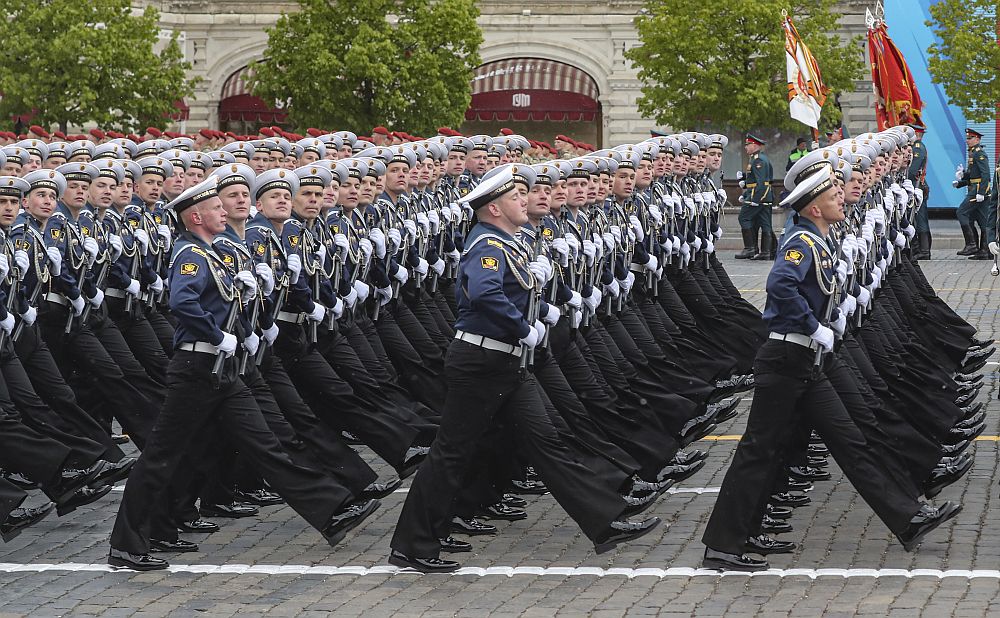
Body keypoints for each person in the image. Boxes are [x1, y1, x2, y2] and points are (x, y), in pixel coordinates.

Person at [389, 164, 660, 573]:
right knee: (450, 453)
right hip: (481, 362)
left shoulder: (509, 244)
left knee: (547, 442)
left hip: (505, 360)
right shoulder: (487, 246)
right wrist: (523, 328)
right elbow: (484, 294)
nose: (525, 200)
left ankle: (605, 522)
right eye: (515, 197)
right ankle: (413, 545)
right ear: (494, 209)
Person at [109, 176, 379, 571]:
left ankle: (331, 509)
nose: (225, 211)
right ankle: (127, 544)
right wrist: (217, 335)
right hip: (198, 367)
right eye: (217, 207)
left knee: (263, 442)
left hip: (223, 369)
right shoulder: (190, 255)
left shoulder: (214, 253)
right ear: (196, 216)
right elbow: (182, 301)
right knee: (163, 455)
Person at [701, 164, 962, 571]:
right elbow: (780, 286)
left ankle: (908, 519)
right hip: (786, 358)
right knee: (759, 451)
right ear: (814, 208)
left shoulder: (819, 240)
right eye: (832, 195)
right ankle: (723, 545)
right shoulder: (800, 242)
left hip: (807, 359)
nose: (840, 197)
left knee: (851, 440)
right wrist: (812, 325)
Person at [735, 135, 774, 260]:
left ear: (755, 145)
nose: (746, 147)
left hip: (758, 197)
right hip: (762, 196)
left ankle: (750, 248)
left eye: (748, 144)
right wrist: (744, 185)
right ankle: (766, 252)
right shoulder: (756, 159)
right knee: (764, 223)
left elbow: (761, 183)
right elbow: (754, 182)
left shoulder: (758, 161)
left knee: (744, 218)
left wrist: (754, 200)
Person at [954, 128, 991, 258]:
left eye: (970, 138)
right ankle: (985, 251)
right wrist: (962, 178)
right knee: (983, 221)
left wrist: (981, 192)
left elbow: (985, 174)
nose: (968, 141)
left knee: (962, 212)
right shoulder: (973, 153)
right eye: (967, 138)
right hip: (975, 188)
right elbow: (973, 175)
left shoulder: (979, 153)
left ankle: (971, 244)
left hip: (978, 190)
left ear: (977, 139)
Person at [907, 123, 931, 259]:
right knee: (917, 217)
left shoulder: (917, 147)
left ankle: (924, 250)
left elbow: (912, 170)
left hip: (917, 186)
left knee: (920, 218)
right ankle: (922, 249)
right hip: (917, 185)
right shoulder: (916, 147)